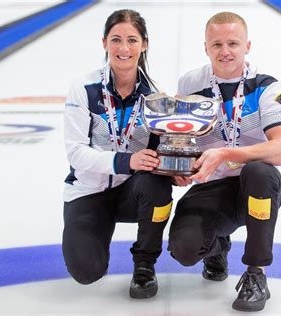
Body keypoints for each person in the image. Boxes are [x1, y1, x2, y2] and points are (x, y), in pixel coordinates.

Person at [167, 12, 281, 312]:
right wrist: (178, 168)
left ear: (247, 45)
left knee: (259, 172)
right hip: (212, 186)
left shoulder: (268, 87)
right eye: (217, 44)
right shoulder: (189, 84)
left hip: (255, 188)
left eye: (233, 43)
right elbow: (177, 143)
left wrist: (227, 153)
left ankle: (255, 274)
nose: (225, 51)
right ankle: (217, 246)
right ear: (206, 47)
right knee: (183, 250)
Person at [62, 9, 173, 299]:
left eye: (132, 40)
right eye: (116, 40)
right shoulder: (84, 88)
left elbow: (155, 152)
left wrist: (174, 167)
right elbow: (76, 153)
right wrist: (126, 161)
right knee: (87, 272)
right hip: (88, 193)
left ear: (144, 44)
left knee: (157, 183)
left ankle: (144, 266)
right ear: (104, 43)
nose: (124, 49)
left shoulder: (155, 97)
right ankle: (96, 237)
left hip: (129, 193)